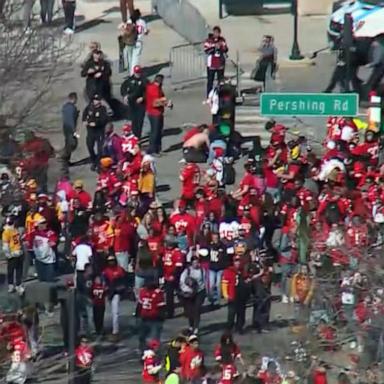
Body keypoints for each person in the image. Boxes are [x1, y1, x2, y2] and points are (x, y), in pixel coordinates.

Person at [222, 256, 250, 334]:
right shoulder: (228, 271)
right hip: (232, 295)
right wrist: (225, 294)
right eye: (236, 261)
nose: (238, 263)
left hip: (241, 296)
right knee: (231, 313)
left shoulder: (242, 271)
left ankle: (239, 327)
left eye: (239, 261)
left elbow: (246, 279)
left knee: (241, 313)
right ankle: (229, 328)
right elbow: (224, 284)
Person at [179, 257, 206, 334]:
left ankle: (196, 327)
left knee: (197, 309)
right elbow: (182, 282)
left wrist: (204, 290)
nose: (196, 264)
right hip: (189, 293)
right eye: (194, 263)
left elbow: (204, 281)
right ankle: (191, 326)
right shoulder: (187, 271)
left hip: (199, 291)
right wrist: (188, 289)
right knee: (190, 311)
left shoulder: (201, 270)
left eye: (197, 262)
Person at [146, 74, 172, 155]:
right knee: (155, 132)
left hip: (158, 113)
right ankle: (153, 150)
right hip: (154, 113)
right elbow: (155, 103)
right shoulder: (154, 89)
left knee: (159, 132)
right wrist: (166, 103)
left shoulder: (155, 87)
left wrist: (164, 101)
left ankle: (158, 149)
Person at [82, 94, 110, 171]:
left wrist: (96, 123)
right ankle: (93, 160)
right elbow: (84, 115)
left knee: (100, 149)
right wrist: (84, 121)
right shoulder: (89, 108)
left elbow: (104, 120)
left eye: (97, 100)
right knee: (90, 146)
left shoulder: (103, 109)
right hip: (90, 131)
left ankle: (98, 163)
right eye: (95, 100)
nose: (96, 101)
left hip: (99, 131)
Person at [102, 254, 126, 340]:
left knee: (115, 312)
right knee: (108, 313)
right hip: (108, 293)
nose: (111, 262)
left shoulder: (120, 270)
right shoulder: (105, 271)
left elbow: (124, 282)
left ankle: (115, 331)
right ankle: (106, 329)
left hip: (116, 293)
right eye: (109, 261)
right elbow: (104, 282)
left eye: (112, 260)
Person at [137, 279, 166, 351]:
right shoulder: (143, 291)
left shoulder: (158, 293)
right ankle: (143, 352)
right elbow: (140, 305)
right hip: (145, 318)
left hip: (155, 319)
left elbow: (161, 307)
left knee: (154, 339)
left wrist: (161, 318)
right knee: (142, 337)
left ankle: (154, 355)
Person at [120, 65, 147, 139]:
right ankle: (135, 136)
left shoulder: (144, 80)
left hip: (141, 103)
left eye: (139, 72)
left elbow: (148, 91)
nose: (138, 74)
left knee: (140, 120)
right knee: (134, 121)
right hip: (132, 103)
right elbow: (123, 88)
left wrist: (143, 97)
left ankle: (138, 135)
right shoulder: (129, 80)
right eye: (136, 72)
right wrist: (125, 96)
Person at [204, 26, 228, 97]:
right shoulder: (208, 40)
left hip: (220, 64)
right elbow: (206, 50)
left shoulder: (222, 40)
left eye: (217, 33)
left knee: (220, 81)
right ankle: (209, 95)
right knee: (210, 81)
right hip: (211, 64)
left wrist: (221, 47)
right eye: (215, 32)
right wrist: (214, 47)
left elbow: (226, 49)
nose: (216, 34)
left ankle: (220, 95)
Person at [2, 215, 24, 294]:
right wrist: (9, 254)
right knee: (11, 271)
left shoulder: (16, 229)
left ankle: (18, 285)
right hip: (13, 254)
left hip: (19, 252)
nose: (18, 222)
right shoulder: (7, 231)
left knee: (19, 270)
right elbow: (5, 245)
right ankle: (11, 285)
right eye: (16, 220)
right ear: (13, 221)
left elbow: (18, 240)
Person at [61, 92, 79, 175]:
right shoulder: (71, 108)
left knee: (68, 144)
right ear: (74, 99)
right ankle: (64, 163)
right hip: (70, 129)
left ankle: (66, 161)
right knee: (71, 144)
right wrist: (74, 131)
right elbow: (70, 120)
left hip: (66, 128)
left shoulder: (65, 107)